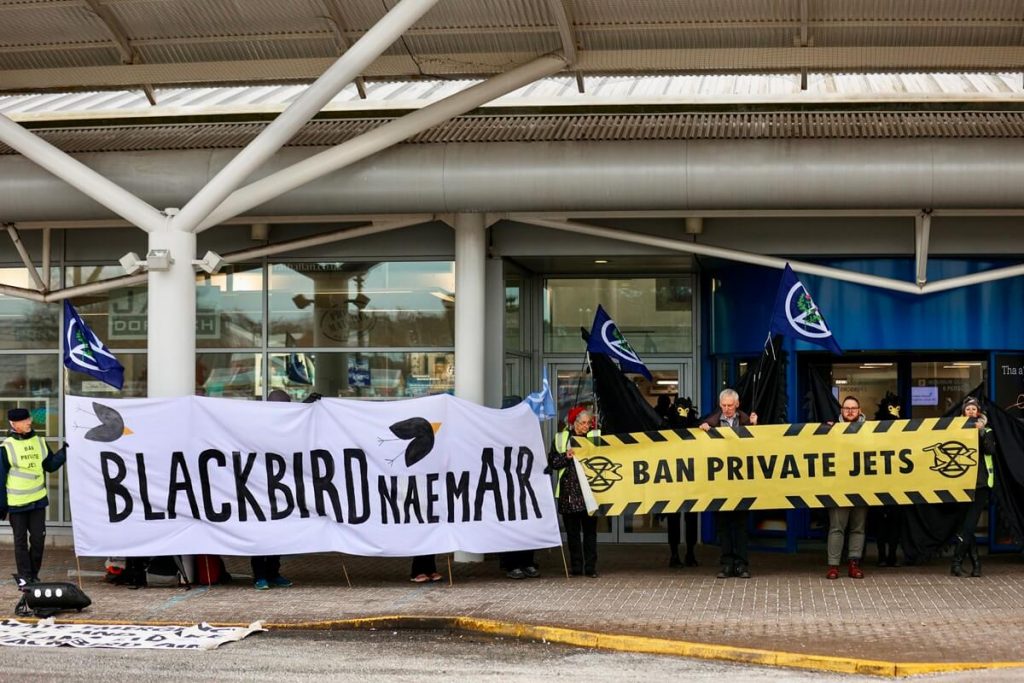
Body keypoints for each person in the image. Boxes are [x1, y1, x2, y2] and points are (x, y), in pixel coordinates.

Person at [0, 407, 67, 587]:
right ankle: (25, 576)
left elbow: (50, 465)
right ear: (14, 424)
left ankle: (33, 574)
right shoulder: (6, 447)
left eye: (28, 419)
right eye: (24, 420)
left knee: (38, 540)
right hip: (17, 505)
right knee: (20, 543)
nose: (29, 422)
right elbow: (0, 479)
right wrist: (2, 507)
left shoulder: (39, 441)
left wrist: (64, 452)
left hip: (38, 501)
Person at [699, 389, 756, 579]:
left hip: (742, 483)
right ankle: (726, 564)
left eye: (730, 405)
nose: (727, 409)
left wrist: (756, 427)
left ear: (737, 405)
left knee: (740, 525)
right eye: (723, 405)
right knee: (723, 526)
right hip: (720, 484)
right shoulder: (711, 422)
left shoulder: (747, 421)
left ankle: (741, 564)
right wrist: (704, 429)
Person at [547, 406, 599, 578]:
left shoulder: (595, 437)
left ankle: (590, 567)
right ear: (574, 423)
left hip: (590, 493)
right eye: (583, 423)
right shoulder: (561, 438)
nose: (586, 426)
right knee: (573, 534)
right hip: (568, 493)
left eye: (588, 423)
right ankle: (576, 567)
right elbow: (552, 462)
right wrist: (565, 457)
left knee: (590, 533)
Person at [252, 389, 296, 590]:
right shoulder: (258, 424)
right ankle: (260, 575)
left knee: (277, 533)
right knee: (260, 534)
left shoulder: (284, 424)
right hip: (258, 486)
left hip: (279, 487)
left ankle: (273, 572)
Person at [951, 397, 995, 578]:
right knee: (965, 525)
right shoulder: (955, 430)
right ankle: (976, 564)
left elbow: (991, 451)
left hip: (981, 483)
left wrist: (982, 432)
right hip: (961, 483)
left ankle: (957, 562)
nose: (970, 411)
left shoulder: (987, 429)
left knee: (968, 525)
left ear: (978, 412)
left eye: (973, 409)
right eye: (967, 409)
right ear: (963, 412)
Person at [825, 396, 867, 580]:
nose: (850, 411)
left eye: (853, 408)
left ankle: (854, 564)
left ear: (860, 410)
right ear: (841, 410)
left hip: (862, 486)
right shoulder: (832, 429)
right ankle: (833, 566)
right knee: (837, 527)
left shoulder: (871, 430)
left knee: (858, 527)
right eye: (846, 408)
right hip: (839, 487)